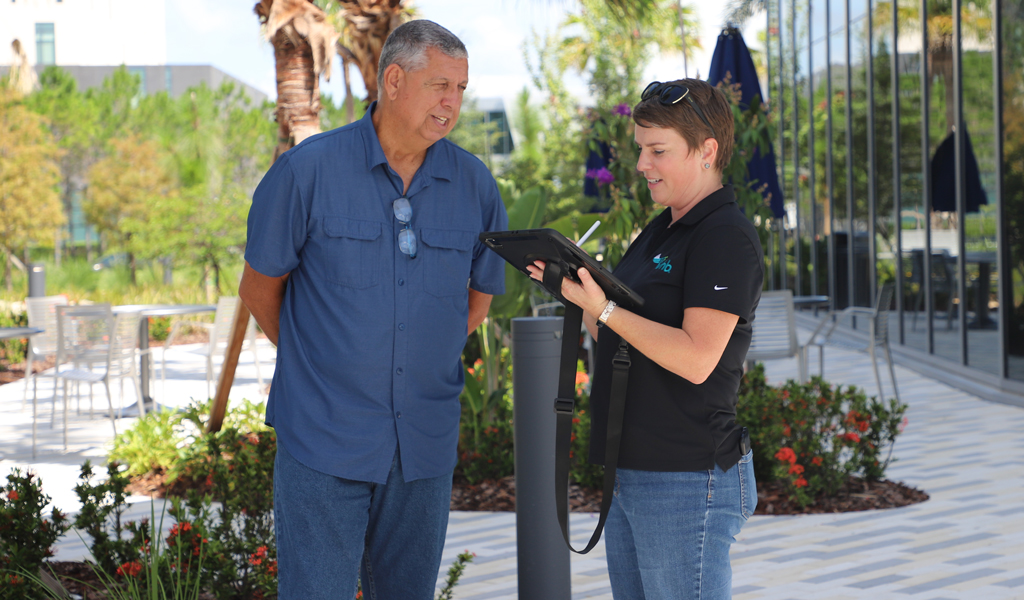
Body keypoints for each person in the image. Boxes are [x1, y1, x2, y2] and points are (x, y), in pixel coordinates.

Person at [239, 20, 508, 600]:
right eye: (440, 85)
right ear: (393, 79)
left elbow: (478, 298)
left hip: (424, 446)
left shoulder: (475, 186)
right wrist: (319, 360)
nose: (452, 102)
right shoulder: (307, 171)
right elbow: (259, 288)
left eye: (460, 89)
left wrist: (418, 356)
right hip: (322, 437)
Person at [528, 78, 763, 599]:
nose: (641, 165)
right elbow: (617, 333)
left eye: (658, 151)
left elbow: (698, 358)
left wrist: (605, 307)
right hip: (633, 469)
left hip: (685, 475)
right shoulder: (663, 229)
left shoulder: (723, 236)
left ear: (707, 152)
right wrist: (577, 294)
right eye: (640, 149)